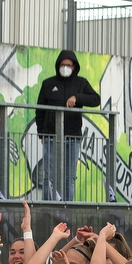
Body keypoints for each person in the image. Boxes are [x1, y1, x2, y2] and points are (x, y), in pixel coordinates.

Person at [35, 50, 100, 201]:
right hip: (51, 135)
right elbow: (40, 110)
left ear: (74, 67)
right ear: (58, 65)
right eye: (63, 65)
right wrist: (41, 134)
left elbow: (96, 99)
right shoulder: (48, 84)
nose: (66, 67)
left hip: (72, 136)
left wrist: (77, 97)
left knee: (69, 177)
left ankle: (67, 207)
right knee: (48, 176)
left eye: (69, 65)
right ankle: (46, 207)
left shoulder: (81, 83)